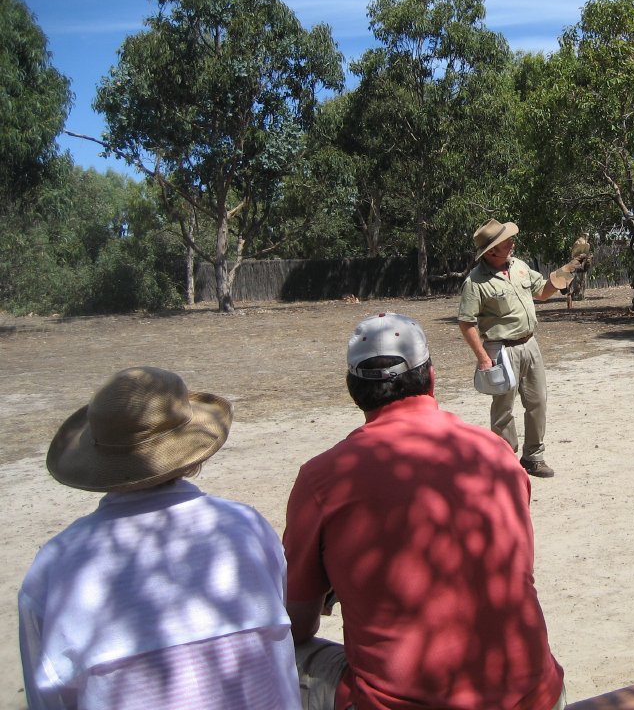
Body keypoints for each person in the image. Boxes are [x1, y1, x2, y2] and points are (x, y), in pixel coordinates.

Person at [283, 313, 565, 710]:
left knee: (270, 656)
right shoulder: (497, 453)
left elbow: (296, 624)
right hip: (536, 697)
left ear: (353, 390)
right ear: (431, 378)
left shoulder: (323, 479)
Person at [19, 367, 300, 710]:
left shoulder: (56, 565)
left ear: (98, 457)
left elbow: (47, 696)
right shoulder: (248, 527)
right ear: (191, 454)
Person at [458, 219, 578, 478]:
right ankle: (504, 461)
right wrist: (482, 358)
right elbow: (466, 322)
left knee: (538, 402)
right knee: (503, 409)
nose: (512, 243)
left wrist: (567, 269)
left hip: (530, 344)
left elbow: (543, 292)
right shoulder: (475, 282)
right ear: (491, 251)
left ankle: (533, 457)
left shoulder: (519, 266)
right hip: (500, 350)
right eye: (506, 241)